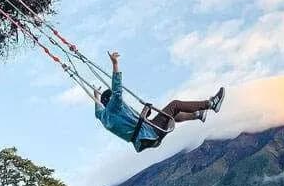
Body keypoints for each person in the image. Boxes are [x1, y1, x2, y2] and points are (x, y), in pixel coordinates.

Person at [93, 51, 225, 152]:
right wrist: (115, 64)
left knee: (168, 115)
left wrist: (95, 95)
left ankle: (197, 115)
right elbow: (117, 89)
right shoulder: (114, 107)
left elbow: (97, 110)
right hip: (149, 133)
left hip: (145, 140)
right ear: (109, 101)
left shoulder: (104, 117)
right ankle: (211, 104)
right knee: (175, 105)